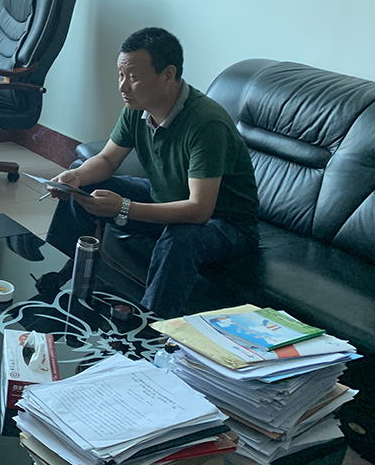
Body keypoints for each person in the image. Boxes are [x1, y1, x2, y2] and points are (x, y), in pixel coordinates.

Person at [45, 27, 259, 317]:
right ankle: (53, 278)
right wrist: (77, 177)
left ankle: (150, 326)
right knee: (79, 182)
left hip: (226, 224)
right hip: (166, 198)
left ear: (168, 75)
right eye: (120, 75)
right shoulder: (137, 107)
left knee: (183, 237)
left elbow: (199, 210)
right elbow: (107, 159)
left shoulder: (207, 124)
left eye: (132, 77)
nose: (122, 86)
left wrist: (124, 207)